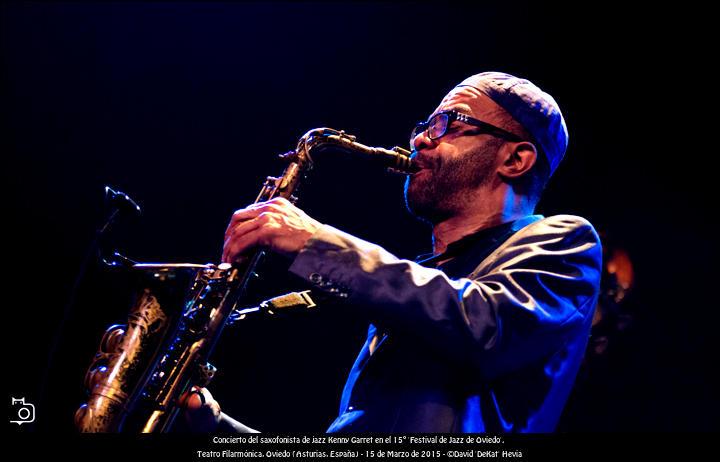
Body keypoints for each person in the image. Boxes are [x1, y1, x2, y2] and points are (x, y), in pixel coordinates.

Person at [185, 71, 602, 432]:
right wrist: (213, 426)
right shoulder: (416, 288)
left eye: (449, 123)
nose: (421, 138)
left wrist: (318, 244)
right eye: (426, 124)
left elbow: (483, 323)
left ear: (515, 158)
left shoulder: (566, 241)